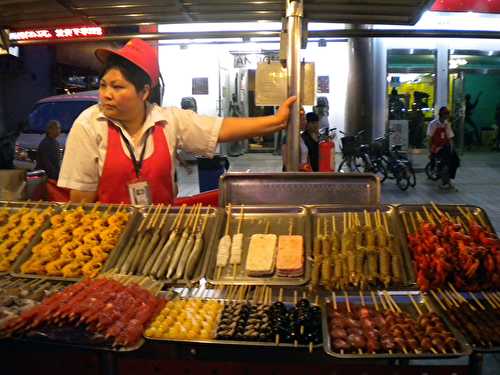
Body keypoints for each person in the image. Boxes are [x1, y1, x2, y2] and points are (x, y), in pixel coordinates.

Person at [57, 39, 296, 204]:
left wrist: (276, 121)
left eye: (117, 87)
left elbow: (218, 128)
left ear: (144, 92)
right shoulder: (89, 124)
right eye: (103, 85)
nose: (106, 94)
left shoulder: (166, 120)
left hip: (161, 233)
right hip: (109, 233)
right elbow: (81, 202)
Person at [427, 107, 460, 190]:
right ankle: (444, 181)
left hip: (446, 146)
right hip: (437, 147)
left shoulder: (447, 124)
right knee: (445, 164)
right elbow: (429, 138)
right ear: (442, 114)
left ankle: (449, 179)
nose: (448, 116)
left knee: (455, 161)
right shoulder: (433, 124)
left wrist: (453, 149)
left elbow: (450, 137)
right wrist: (430, 150)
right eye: (446, 114)